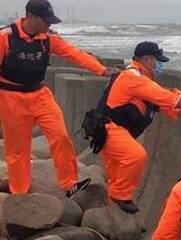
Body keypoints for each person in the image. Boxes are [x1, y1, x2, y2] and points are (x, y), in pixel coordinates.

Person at [0, 0, 117, 196]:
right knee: (18, 151)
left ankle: (69, 183)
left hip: (40, 95)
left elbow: (74, 54)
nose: (49, 25)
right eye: (46, 20)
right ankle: (20, 194)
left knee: (60, 135)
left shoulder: (48, 39)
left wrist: (103, 70)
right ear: (31, 17)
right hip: (11, 98)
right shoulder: (5, 37)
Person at [93, 41, 181, 214]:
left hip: (112, 130)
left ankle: (114, 216)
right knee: (136, 156)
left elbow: (156, 104)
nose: (160, 65)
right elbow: (164, 97)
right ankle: (120, 197)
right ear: (146, 59)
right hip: (109, 129)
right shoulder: (133, 77)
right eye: (157, 61)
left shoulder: (141, 79)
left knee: (115, 176)